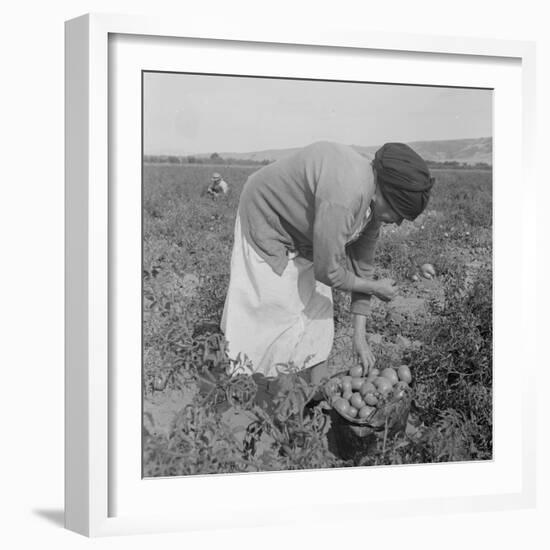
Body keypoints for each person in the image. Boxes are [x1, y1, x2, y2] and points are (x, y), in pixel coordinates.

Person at [221, 141, 433, 392]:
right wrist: (374, 288)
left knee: (318, 313)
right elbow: (328, 271)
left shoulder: (372, 203)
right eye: (398, 213)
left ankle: (315, 393)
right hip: (267, 219)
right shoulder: (346, 194)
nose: (397, 222)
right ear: (385, 192)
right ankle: (253, 395)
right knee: (273, 315)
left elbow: (361, 268)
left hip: (306, 235)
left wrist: (360, 337)